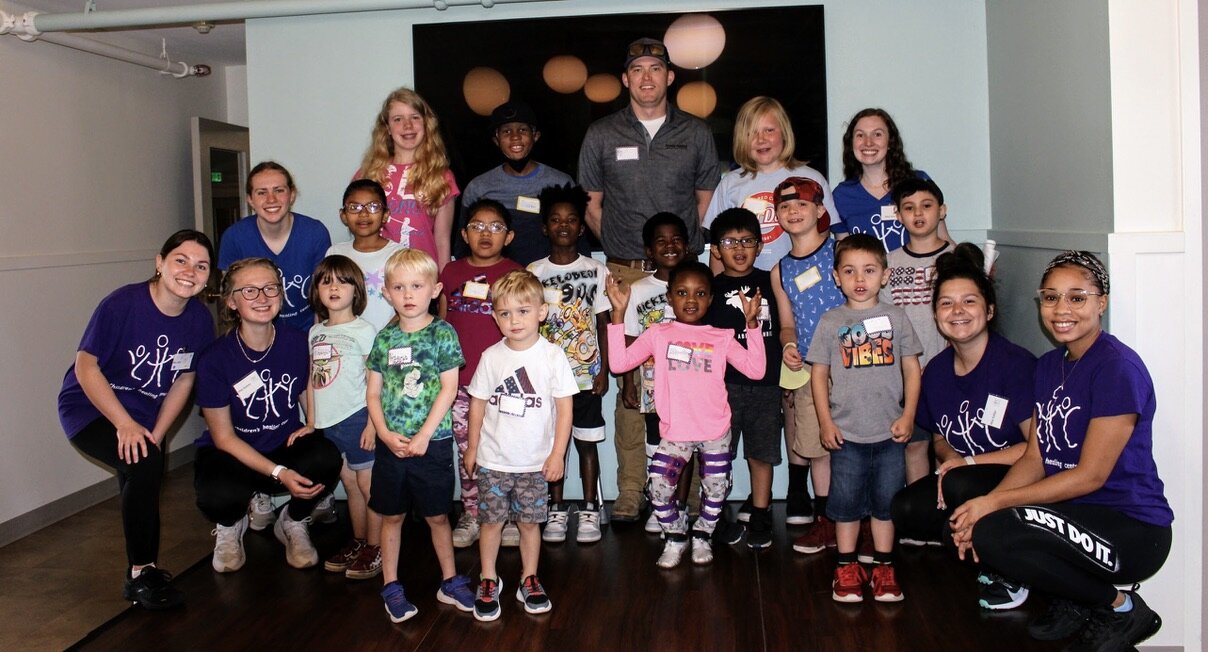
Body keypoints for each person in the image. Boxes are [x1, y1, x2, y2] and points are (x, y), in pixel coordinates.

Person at [951, 251, 1172, 650]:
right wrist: (983, 505)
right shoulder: (1050, 365)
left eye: (1077, 297)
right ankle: (1076, 600)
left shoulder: (1117, 368)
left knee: (994, 530)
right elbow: (1036, 457)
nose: (1061, 309)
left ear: (1101, 303)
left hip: (1130, 527)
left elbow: (1091, 476)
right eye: (1051, 297)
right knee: (972, 510)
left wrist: (993, 505)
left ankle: (1120, 608)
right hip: (1075, 512)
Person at [578, 38, 721, 521]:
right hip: (623, 271)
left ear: (670, 77)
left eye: (655, 69)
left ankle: (696, 492)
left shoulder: (695, 132)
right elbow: (592, 204)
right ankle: (631, 490)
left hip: (684, 278)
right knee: (632, 391)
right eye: (637, 69)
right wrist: (624, 250)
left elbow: (703, 202)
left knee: (691, 382)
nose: (646, 77)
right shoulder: (601, 133)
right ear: (625, 78)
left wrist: (678, 255)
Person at [57, 229, 216, 610]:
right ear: (159, 263)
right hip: (90, 407)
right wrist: (124, 424)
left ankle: (142, 571)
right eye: (180, 260)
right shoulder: (122, 304)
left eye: (201, 266)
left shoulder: (198, 319)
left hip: (144, 414)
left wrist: (157, 433)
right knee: (144, 465)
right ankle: (141, 573)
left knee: (144, 465)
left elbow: (185, 379)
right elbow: (86, 367)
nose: (189, 271)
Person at [888, 244, 1035, 609]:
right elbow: (939, 438)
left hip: (1018, 479)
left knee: (958, 484)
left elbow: (1036, 449)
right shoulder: (936, 371)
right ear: (935, 313)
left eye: (969, 301)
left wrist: (965, 464)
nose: (957, 311)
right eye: (946, 303)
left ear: (989, 310)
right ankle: (966, 535)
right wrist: (952, 457)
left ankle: (1011, 568)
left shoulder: (1016, 365)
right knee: (905, 509)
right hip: (964, 479)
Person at [607, 261, 765, 568]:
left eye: (700, 293)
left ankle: (703, 534)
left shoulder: (721, 336)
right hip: (675, 432)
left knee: (716, 489)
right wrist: (618, 314)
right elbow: (619, 364)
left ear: (710, 298)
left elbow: (756, 370)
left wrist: (752, 325)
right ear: (669, 297)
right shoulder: (658, 333)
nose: (691, 300)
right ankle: (675, 536)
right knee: (657, 489)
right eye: (682, 292)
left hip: (715, 431)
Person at [194, 258, 342, 573]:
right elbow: (223, 438)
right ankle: (230, 524)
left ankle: (293, 521)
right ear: (231, 302)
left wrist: (313, 425)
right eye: (249, 291)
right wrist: (279, 473)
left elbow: (307, 393)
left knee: (326, 457)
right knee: (216, 494)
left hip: (282, 445)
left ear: (281, 294)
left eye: (270, 288)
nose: (262, 297)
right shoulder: (214, 359)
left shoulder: (298, 343)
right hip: (234, 453)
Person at [805, 234, 922, 603]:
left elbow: (912, 369)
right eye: (850, 271)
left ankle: (884, 567)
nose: (859, 279)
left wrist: (908, 415)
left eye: (869, 270)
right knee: (846, 506)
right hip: (846, 435)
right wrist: (825, 422)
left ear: (884, 276)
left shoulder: (896, 317)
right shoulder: (831, 321)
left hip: (890, 433)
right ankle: (846, 567)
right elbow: (819, 375)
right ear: (836, 277)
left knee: (886, 505)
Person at [463, 270, 578, 621]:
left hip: (534, 463)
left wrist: (557, 453)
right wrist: (472, 447)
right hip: (494, 460)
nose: (514, 321)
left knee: (530, 524)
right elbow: (477, 404)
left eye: (523, 311)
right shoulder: (491, 356)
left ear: (541, 312)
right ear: (495, 317)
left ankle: (529, 578)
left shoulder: (553, 356)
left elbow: (564, 410)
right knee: (491, 523)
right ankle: (488, 578)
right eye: (505, 313)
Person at [367, 248, 474, 623]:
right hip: (391, 445)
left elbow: (449, 388)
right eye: (399, 287)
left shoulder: (442, 334)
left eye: (416, 286)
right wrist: (383, 433)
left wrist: (425, 435)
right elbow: (373, 393)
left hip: (434, 443)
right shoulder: (384, 339)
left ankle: (450, 580)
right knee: (392, 516)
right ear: (387, 293)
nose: (408, 294)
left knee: (438, 516)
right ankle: (391, 584)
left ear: (435, 290)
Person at [527, 184, 610, 544]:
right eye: (556, 220)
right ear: (545, 227)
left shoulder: (596, 269)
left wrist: (604, 370)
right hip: (547, 380)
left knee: (586, 443)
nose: (564, 225)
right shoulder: (534, 271)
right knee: (553, 446)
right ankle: (556, 509)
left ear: (581, 227)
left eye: (572, 219)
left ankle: (590, 507)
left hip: (585, 377)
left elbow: (604, 324)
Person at [768, 178, 846, 555]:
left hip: (854, 364)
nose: (793, 211)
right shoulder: (780, 270)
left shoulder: (842, 250)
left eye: (801, 204)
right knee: (818, 447)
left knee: (863, 442)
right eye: (784, 206)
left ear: (819, 210)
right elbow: (787, 323)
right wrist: (788, 345)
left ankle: (865, 521)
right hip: (811, 371)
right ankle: (826, 520)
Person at [439, 199, 523, 549]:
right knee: (468, 451)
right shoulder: (450, 272)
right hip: (461, 384)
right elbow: (442, 324)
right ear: (464, 233)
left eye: (495, 227)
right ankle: (473, 513)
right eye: (477, 226)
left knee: (509, 449)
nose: (485, 233)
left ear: (509, 236)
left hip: (506, 385)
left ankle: (510, 516)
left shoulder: (517, 273)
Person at [704, 208, 783, 550]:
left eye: (747, 241)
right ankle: (716, 513)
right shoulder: (710, 288)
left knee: (761, 453)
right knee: (718, 455)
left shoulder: (771, 282)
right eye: (729, 242)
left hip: (766, 385)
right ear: (716, 249)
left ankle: (761, 513)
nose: (739, 248)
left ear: (760, 245)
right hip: (723, 388)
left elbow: (785, 327)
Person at [304, 255, 382, 580]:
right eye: (326, 282)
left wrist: (373, 425)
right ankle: (359, 541)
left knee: (367, 484)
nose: (334, 288)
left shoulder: (365, 331)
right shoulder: (315, 332)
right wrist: (311, 422)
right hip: (328, 423)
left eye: (342, 281)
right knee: (349, 483)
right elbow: (312, 380)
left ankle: (376, 547)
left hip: (356, 418)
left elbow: (376, 383)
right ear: (317, 291)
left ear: (356, 290)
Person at [879, 178, 955, 503]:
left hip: (949, 373)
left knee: (947, 446)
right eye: (909, 208)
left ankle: (946, 511)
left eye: (926, 206)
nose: (918, 214)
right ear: (898, 215)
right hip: (905, 377)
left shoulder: (956, 257)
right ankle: (920, 513)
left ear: (942, 211)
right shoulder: (889, 263)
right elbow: (882, 321)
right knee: (914, 445)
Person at [622, 214, 698, 533]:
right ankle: (659, 502)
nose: (670, 246)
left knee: (685, 445)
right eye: (661, 241)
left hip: (692, 386)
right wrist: (628, 381)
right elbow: (629, 338)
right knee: (656, 445)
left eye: (676, 239)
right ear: (649, 251)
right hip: (654, 386)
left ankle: (678, 505)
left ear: (687, 245)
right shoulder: (639, 290)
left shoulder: (696, 284)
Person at [703, 96, 838, 272]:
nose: (761, 139)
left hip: (801, 280)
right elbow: (719, 245)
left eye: (769, 130)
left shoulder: (811, 179)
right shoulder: (729, 184)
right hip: (745, 283)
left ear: (784, 133)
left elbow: (824, 235)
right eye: (752, 133)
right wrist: (719, 285)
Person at [218, 161, 331, 333]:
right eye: (261, 192)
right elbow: (233, 299)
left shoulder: (315, 233)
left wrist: (316, 339)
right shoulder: (234, 237)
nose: (271, 199)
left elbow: (322, 297)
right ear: (250, 199)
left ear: (292, 195)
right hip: (256, 334)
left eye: (279, 190)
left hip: (306, 333)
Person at [459, 100, 576, 266]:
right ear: (496, 140)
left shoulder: (561, 183)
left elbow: (577, 240)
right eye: (506, 131)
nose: (515, 137)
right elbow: (462, 246)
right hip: (497, 276)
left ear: (535, 136)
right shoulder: (478, 187)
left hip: (548, 275)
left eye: (523, 130)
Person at [357, 87, 459, 270]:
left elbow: (442, 241)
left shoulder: (441, 177)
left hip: (422, 275)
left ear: (426, 124)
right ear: (387, 128)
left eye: (415, 117)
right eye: (398, 119)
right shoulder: (368, 174)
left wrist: (444, 283)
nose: (408, 126)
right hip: (375, 275)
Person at [831, 108, 950, 253]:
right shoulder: (841, 195)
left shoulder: (919, 182)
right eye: (860, 135)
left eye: (877, 134)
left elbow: (943, 239)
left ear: (890, 143)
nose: (868, 142)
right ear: (851, 143)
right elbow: (844, 254)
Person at [326, 179, 406, 331]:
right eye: (354, 207)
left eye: (373, 206)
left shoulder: (399, 254)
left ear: (385, 215)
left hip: (388, 338)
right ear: (343, 215)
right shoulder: (335, 253)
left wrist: (383, 337)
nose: (363, 214)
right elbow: (326, 301)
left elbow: (407, 304)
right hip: (346, 338)